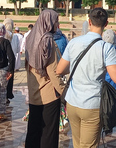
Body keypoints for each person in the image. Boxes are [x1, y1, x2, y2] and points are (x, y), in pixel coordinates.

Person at [57, 8, 116, 148]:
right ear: (106, 24)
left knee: (78, 144)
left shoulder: (74, 42)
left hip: (72, 102)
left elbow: (60, 70)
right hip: (91, 104)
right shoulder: (106, 48)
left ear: (89, 22)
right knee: (88, 145)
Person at [24, 9, 65, 148]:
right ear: (49, 22)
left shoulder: (31, 38)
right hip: (49, 96)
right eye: (56, 21)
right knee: (48, 133)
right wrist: (64, 93)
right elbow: (54, 72)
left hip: (34, 94)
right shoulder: (48, 41)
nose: (57, 24)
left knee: (34, 131)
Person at [3, 18, 19, 101]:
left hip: (2, 60)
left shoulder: (1, 35)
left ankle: (2, 96)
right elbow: (16, 50)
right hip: (11, 60)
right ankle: (7, 95)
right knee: (9, 78)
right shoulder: (15, 36)